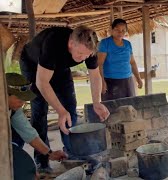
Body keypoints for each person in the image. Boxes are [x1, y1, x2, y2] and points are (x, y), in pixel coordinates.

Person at [19, 25, 110, 172]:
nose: (82, 58)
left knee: (70, 108)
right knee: (40, 111)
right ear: (71, 43)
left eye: (86, 56)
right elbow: (42, 82)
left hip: (61, 67)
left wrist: (96, 102)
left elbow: (94, 75)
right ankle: (42, 160)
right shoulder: (53, 44)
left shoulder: (89, 46)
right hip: (32, 64)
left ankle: (71, 152)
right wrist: (60, 111)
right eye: (80, 53)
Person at [6, 73, 67, 179]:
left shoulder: (14, 110)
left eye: (25, 100)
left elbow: (27, 132)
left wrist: (49, 153)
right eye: (20, 99)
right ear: (4, 95)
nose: (23, 103)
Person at [97, 18, 143, 101]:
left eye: (123, 30)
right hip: (110, 82)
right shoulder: (105, 43)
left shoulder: (128, 44)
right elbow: (100, 64)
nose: (120, 32)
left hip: (127, 81)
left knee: (129, 106)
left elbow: (132, 62)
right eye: (117, 29)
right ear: (111, 29)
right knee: (112, 109)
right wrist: (102, 82)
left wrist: (138, 78)